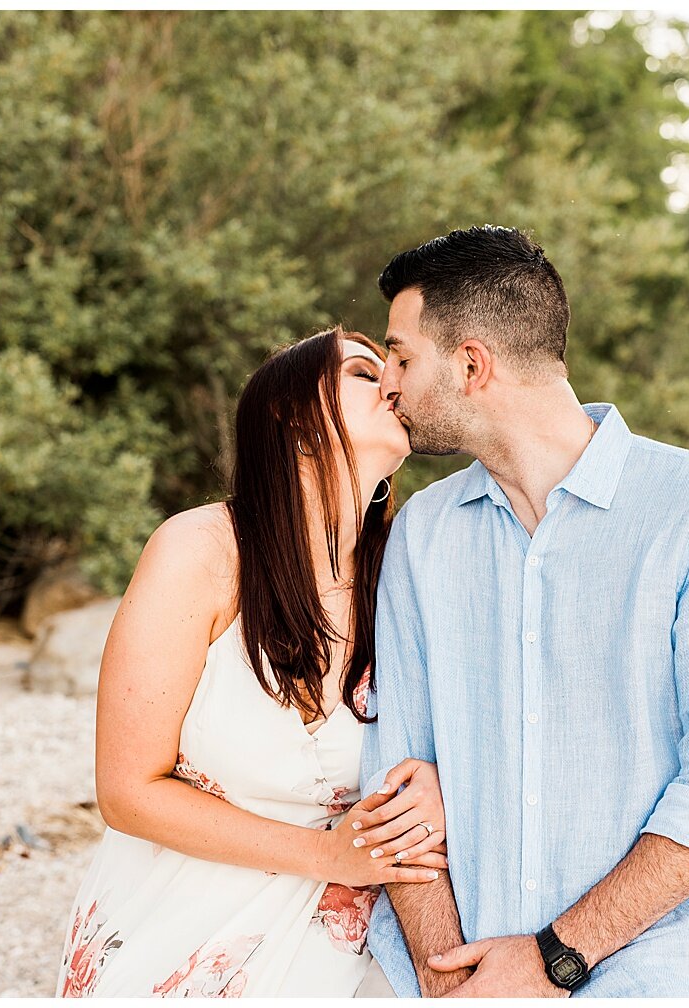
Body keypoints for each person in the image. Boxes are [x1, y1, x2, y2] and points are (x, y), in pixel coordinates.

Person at [355, 226, 689, 997]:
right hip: (446, 977)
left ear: (470, 364)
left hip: (641, 976)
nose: (387, 383)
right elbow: (393, 779)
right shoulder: (423, 534)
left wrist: (557, 957)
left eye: (400, 355)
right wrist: (445, 972)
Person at [55, 327, 450, 997]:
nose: (393, 381)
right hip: (180, 925)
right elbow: (126, 790)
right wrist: (328, 855)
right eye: (362, 371)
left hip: (353, 944)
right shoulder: (201, 550)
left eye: (396, 368)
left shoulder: (413, 572)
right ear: (291, 416)